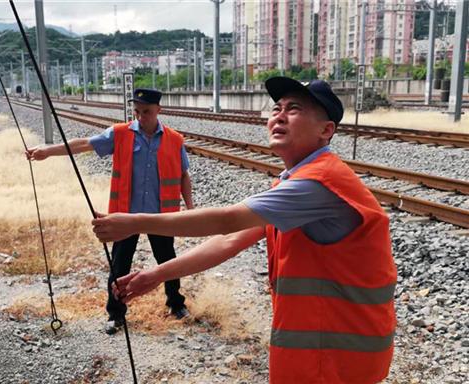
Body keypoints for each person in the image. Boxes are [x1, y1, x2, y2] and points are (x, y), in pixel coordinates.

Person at [92, 77, 397, 383]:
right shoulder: (298, 180)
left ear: (326, 130)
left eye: (294, 109)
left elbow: (227, 219)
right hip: (324, 347)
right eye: (276, 108)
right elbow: (229, 241)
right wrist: (156, 275)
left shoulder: (319, 183)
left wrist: (133, 221)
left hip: (337, 355)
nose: (278, 115)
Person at [25, 88, 194, 335]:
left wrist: (190, 209)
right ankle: (116, 314)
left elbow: (183, 175)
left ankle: (175, 303)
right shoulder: (120, 134)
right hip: (125, 216)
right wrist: (48, 151)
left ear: (159, 110)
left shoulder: (174, 139)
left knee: (168, 262)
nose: (140, 116)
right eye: (137, 111)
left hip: (160, 215)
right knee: (119, 266)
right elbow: (84, 144)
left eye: (146, 111)